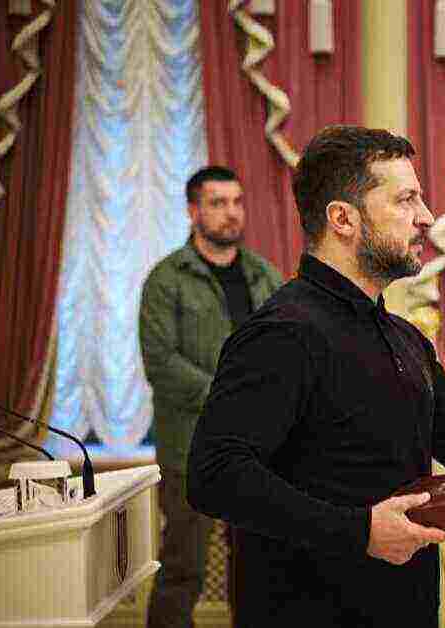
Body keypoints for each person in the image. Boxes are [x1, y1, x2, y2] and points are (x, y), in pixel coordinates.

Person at [185, 126, 445, 627]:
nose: (426, 217)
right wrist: (359, 530)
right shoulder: (283, 331)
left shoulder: (403, 336)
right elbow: (215, 474)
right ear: (343, 219)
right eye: (406, 200)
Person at [139, 166, 284, 628]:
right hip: (191, 451)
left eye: (237, 202)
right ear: (193, 211)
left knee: (258, 568)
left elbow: (288, 351)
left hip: (260, 452)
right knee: (183, 568)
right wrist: (230, 397)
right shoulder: (167, 279)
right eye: (218, 203)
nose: (231, 212)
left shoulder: (264, 275)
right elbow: (161, 362)